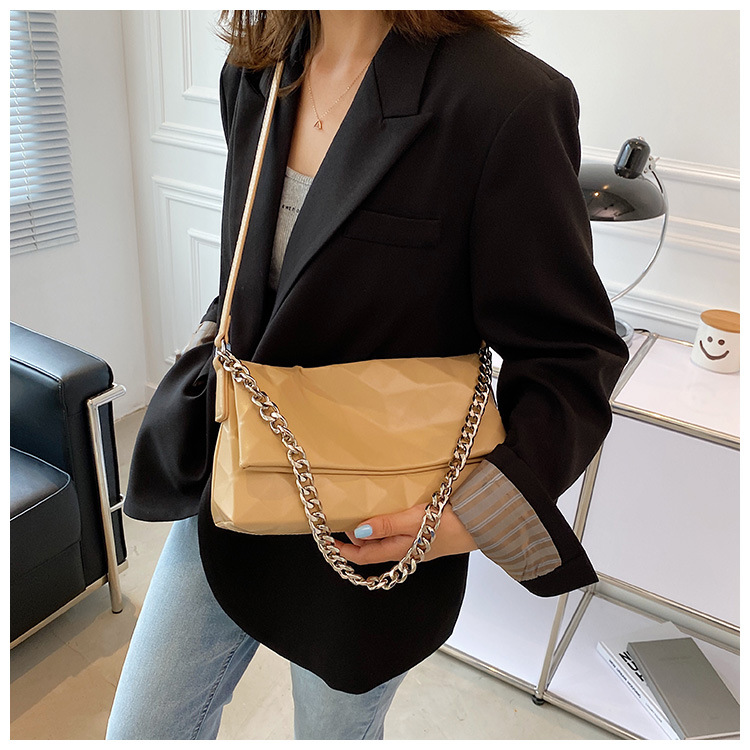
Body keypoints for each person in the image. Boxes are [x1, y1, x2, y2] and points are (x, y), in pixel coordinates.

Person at [107, 10, 629, 741]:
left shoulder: (504, 100)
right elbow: (254, 276)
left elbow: (570, 356)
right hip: (235, 480)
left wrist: (470, 517)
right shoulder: (256, 70)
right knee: (141, 728)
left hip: (375, 521)